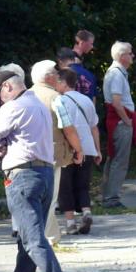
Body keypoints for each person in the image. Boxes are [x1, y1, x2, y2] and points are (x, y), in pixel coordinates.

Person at [0, 71, 71, 272]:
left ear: (7, 87)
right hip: (44, 174)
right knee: (28, 235)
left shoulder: (14, 107)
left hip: (22, 175)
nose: (1, 100)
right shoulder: (39, 105)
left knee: (32, 238)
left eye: (0, 94)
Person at [31, 60, 85, 246]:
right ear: (49, 78)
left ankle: (37, 236)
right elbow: (68, 128)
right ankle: (49, 238)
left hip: (26, 155)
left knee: (33, 198)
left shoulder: (24, 96)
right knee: (50, 198)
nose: (57, 77)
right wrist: (78, 149)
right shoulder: (56, 98)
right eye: (55, 74)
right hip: (51, 154)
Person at [57, 68, 100, 235]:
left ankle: (70, 223)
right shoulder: (87, 100)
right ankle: (86, 212)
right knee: (83, 185)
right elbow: (94, 127)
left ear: (63, 82)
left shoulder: (59, 101)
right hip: (88, 147)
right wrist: (97, 150)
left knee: (65, 186)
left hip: (68, 149)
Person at [100, 41, 136, 209]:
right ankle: (111, 197)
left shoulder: (116, 72)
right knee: (119, 160)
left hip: (118, 120)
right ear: (122, 56)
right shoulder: (116, 74)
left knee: (114, 157)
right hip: (120, 121)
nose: (132, 56)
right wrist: (127, 119)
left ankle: (108, 194)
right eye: (130, 53)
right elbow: (116, 102)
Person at [67, 30, 98, 101]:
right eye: (91, 44)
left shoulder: (78, 58)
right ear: (82, 43)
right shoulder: (72, 59)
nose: (92, 46)